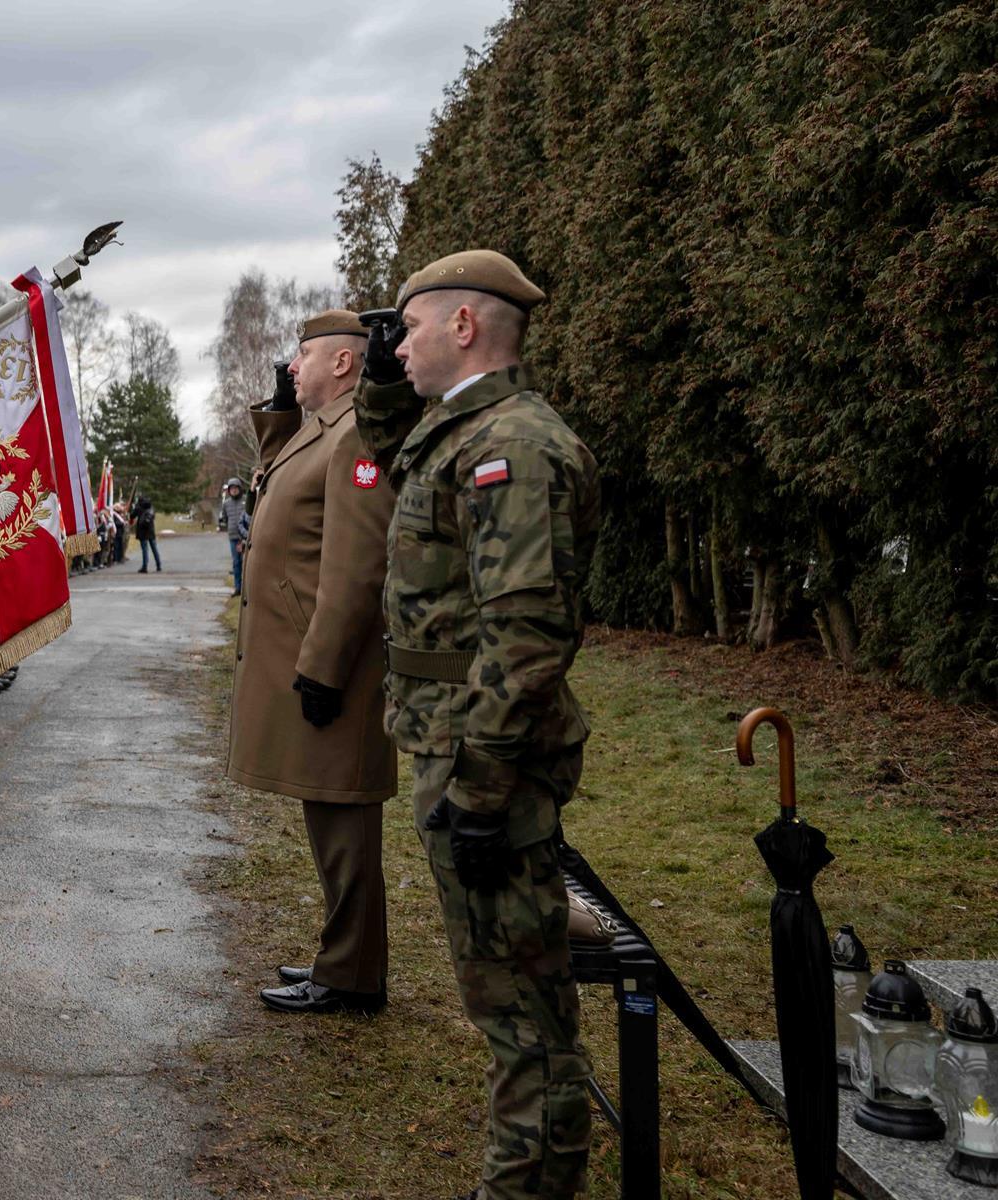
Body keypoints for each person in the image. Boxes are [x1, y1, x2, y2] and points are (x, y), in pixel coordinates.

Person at [356, 249, 599, 1200]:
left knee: (523, 1011)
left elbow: (528, 634)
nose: (401, 344)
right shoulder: (470, 432)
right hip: (455, 742)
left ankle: (530, 1187)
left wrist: (485, 788)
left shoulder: (516, 450)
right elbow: (395, 463)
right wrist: (381, 386)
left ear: (464, 326)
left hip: (482, 754)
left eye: (411, 328)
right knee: (501, 992)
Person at [228, 309, 398, 1017]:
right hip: (309, 656)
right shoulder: (322, 431)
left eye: (304, 357)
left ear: (344, 363)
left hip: (334, 664)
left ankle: (353, 973)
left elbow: (355, 567)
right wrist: (277, 413)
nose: (293, 367)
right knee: (326, 816)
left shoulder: (357, 432)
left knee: (345, 818)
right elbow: (279, 479)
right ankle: (342, 955)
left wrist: (323, 667)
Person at [219, 476, 249, 596]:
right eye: (232, 489)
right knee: (236, 562)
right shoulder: (226, 504)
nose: (234, 491)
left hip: (245, 537)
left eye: (236, 488)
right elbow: (225, 518)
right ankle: (238, 587)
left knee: (246, 562)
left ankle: (247, 587)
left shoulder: (245, 501)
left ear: (239, 489)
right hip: (233, 536)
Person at [131, 494, 160, 572]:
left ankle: (145, 566)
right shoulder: (151, 508)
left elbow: (132, 516)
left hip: (142, 531)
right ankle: (158, 564)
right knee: (154, 548)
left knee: (145, 549)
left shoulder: (138, 507)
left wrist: (132, 508)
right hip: (150, 530)